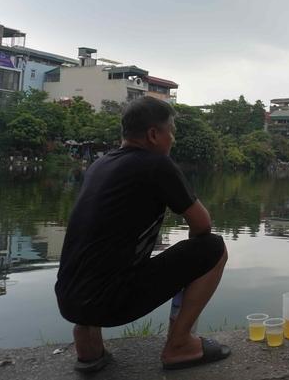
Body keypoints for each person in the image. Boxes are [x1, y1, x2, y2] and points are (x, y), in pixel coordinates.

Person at [55, 96, 230, 371]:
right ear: (153, 134)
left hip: (69, 299)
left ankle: (88, 339)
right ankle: (180, 344)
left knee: (102, 251)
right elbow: (203, 225)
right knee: (213, 248)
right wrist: (191, 267)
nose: (173, 139)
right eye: (170, 131)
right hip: (109, 302)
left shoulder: (99, 166)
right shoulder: (155, 164)